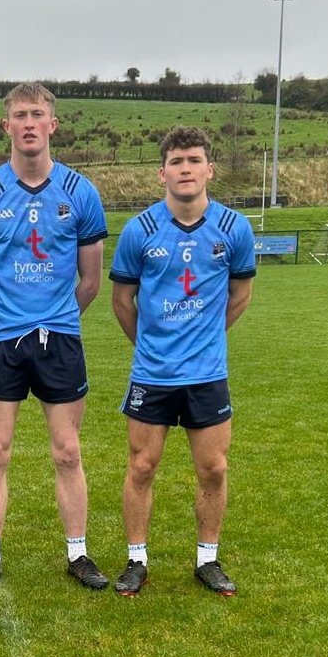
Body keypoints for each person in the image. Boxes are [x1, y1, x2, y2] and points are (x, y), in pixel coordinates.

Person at [0, 82, 109, 592]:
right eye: (19, 114)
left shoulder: (80, 192)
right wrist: (4, 319)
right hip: (3, 340)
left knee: (67, 450)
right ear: (6, 126)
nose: (28, 123)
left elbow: (90, 281)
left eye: (37, 114)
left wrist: (59, 314)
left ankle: (79, 553)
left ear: (52, 125)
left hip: (61, 338)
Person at [109, 126, 256, 597]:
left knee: (213, 468)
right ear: (162, 173)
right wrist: (151, 345)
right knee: (142, 466)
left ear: (209, 169)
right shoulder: (140, 230)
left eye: (194, 160)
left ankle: (207, 560)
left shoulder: (234, 228)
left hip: (207, 374)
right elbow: (122, 300)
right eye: (176, 161)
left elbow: (241, 294)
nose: (185, 169)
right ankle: (136, 560)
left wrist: (205, 339)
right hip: (152, 373)